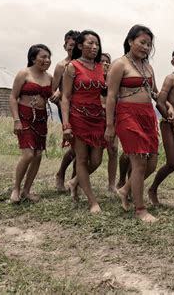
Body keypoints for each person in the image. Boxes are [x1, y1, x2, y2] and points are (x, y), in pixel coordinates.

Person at [105, 24, 166, 223]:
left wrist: (170, 107)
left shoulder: (148, 67)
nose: (146, 47)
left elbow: (154, 92)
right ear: (130, 41)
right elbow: (111, 96)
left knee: (152, 162)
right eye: (142, 43)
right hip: (127, 114)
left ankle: (125, 189)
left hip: (148, 115)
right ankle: (140, 210)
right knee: (139, 161)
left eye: (149, 44)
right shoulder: (119, 64)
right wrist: (110, 125)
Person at [61, 30, 107, 213]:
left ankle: (74, 182)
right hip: (78, 117)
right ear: (80, 46)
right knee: (81, 159)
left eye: (96, 43)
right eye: (90, 43)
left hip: (97, 118)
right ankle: (92, 201)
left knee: (96, 160)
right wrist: (66, 124)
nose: (94, 47)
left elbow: (107, 93)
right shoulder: (72, 67)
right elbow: (65, 97)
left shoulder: (101, 67)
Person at [9, 44, 53, 203]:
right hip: (25, 116)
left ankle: (27, 190)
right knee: (28, 154)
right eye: (43, 57)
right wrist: (16, 120)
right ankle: (16, 188)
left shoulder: (49, 77)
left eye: (48, 57)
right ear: (33, 58)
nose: (47, 60)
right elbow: (13, 97)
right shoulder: (24, 74)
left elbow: (56, 94)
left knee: (38, 155)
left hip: (41, 118)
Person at [148, 47, 174, 209]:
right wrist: (169, 118)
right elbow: (159, 101)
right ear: (173, 62)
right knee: (172, 163)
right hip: (169, 124)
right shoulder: (170, 79)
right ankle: (153, 189)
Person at [52, 30, 80, 192]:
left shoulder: (85, 64)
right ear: (65, 46)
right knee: (76, 146)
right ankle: (61, 174)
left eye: (76, 45)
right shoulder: (61, 65)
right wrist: (58, 93)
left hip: (85, 109)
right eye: (70, 45)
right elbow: (53, 90)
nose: (73, 48)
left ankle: (75, 179)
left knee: (83, 147)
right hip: (67, 109)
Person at [100, 52, 118, 193]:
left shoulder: (113, 80)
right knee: (93, 155)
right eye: (101, 61)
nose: (105, 64)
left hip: (112, 120)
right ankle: (77, 180)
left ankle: (112, 184)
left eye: (107, 62)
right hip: (95, 120)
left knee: (113, 151)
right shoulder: (92, 79)